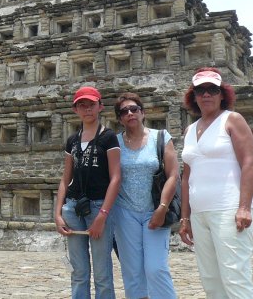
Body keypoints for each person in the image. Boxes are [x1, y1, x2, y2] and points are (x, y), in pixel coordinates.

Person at [179, 68, 253, 298]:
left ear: (222, 93)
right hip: (200, 213)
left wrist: (244, 207)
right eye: (201, 90)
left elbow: (249, 163)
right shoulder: (190, 129)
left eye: (212, 89)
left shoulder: (232, 120)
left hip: (228, 208)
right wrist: (185, 217)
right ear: (193, 96)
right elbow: (186, 177)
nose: (207, 95)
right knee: (211, 281)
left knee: (235, 277)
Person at [55, 86, 121, 299]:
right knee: (79, 271)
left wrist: (103, 215)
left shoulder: (108, 137)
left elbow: (116, 177)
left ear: (100, 106)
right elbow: (66, 178)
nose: (87, 109)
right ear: (75, 110)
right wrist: (58, 214)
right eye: (82, 105)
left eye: (91, 104)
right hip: (73, 208)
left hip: (98, 206)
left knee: (102, 271)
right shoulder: (72, 140)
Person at [111, 92, 178, 299]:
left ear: (143, 112)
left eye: (134, 109)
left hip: (155, 210)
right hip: (124, 213)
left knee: (156, 268)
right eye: (124, 111)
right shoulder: (114, 142)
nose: (130, 113)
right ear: (120, 118)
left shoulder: (161, 137)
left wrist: (162, 208)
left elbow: (173, 175)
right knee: (133, 272)